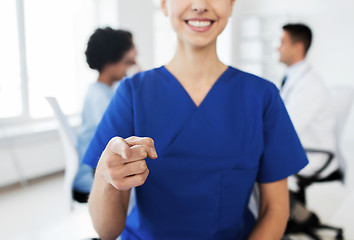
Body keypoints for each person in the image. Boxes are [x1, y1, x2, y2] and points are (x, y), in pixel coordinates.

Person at [82, 1, 308, 239]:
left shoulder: (262, 96)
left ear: (231, 5)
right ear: (164, 5)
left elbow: (275, 208)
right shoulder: (132, 94)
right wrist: (105, 179)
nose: (200, 5)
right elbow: (106, 231)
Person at [73, 27, 138, 202]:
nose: (128, 69)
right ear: (111, 63)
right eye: (127, 63)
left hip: (93, 169)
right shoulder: (100, 97)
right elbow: (117, 136)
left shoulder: (101, 91)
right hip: (92, 176)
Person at [278, 23, 337, 181]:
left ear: (298, 48)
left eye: (283, 42)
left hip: (312, 152)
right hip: (299, 146)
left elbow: (288, 127)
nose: (278, 48)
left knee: (253, 164)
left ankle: (286, 205)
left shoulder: (310, 85)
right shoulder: (294, 77)